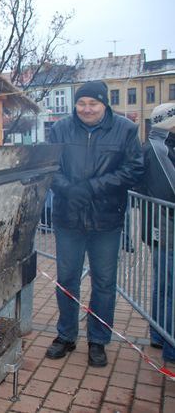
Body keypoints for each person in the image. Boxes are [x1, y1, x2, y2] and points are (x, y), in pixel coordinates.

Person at [46, 80, 143, 367]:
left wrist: (92, 187)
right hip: (69, 218)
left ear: (105, 104)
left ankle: (98, 340)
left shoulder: (125, 129)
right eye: (82, 103)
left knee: (103, 282)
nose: (87, 109)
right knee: (66, 280)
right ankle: (66, 335)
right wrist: (68, 190)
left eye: (93, 103)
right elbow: (50, 166)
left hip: (106, 219)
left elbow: (134, 169)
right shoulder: (60, 128)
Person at [141, 103, 175, 363]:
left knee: (164, 285)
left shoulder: (162, 146)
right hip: (165, 227)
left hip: (162, 226)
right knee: (168, 287)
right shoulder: (158, 148)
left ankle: (159, 334)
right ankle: (168, 342)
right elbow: (169, 191)